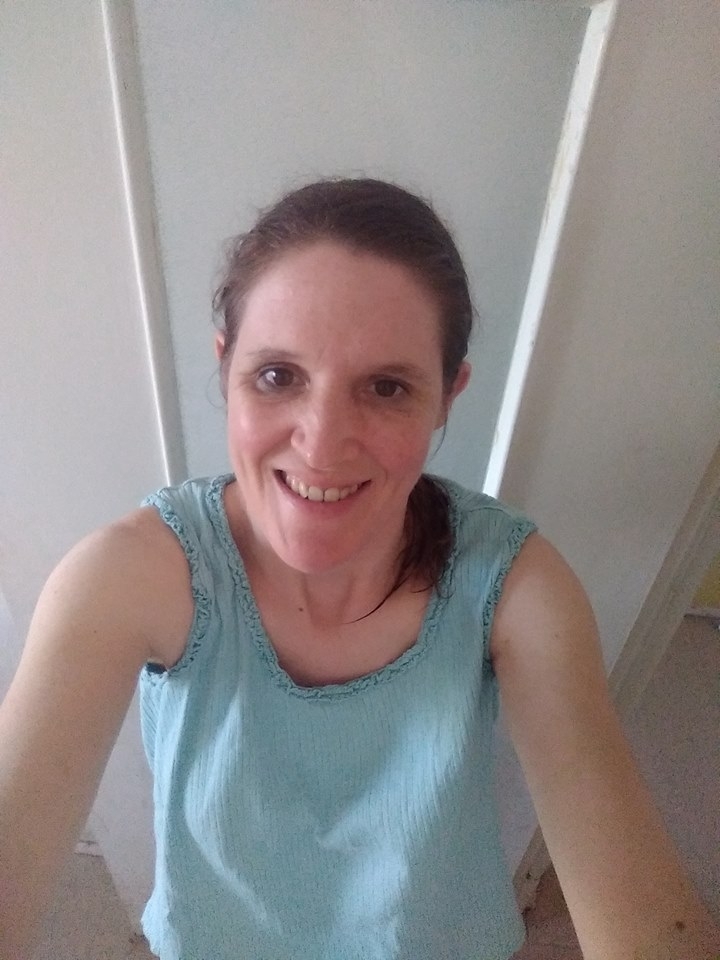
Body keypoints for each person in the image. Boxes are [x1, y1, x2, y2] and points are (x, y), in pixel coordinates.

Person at [0, 179, 717, 960]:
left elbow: (640, 904)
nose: (321, 444)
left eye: (386, 387)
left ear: (447, 397)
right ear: (226, 366)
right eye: (278, 376)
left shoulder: (514, 584)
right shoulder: (131, 574)